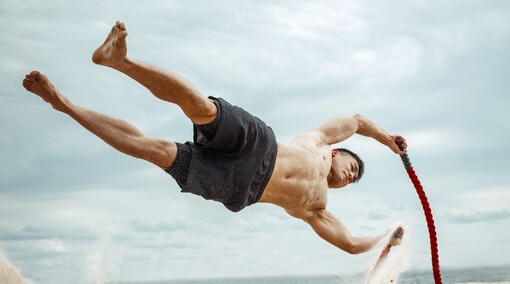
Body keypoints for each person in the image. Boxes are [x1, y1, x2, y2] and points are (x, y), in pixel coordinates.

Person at [22, 21, 407, 255]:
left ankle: (64, 104)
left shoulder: (316, 207)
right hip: (260, 145)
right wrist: (388, 139)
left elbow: (352, 244)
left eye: (353, 180)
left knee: (151, 149)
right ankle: (120, 61)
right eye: (353, 166)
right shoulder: (318, 141)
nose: (350, 175)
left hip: (237, 187)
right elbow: (356, 120)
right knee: (200, 106)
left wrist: (386, 238)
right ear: (337, 152)